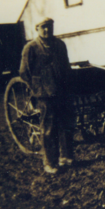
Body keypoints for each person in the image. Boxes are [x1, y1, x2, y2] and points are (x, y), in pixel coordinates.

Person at [19, 18, 74, 174]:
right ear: (37, 29)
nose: (47, 30)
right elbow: (24, 73)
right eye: (43, 27)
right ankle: (50, 163)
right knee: (49, 129)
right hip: (44, 94)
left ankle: (67, 157)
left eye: (49, 27)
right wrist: (37, 89)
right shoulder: (31, 48)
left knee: (65, 124)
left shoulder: (60, 45)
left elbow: (66, 67)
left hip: (62, 91)